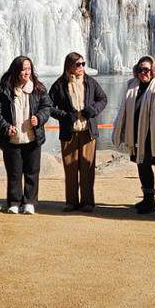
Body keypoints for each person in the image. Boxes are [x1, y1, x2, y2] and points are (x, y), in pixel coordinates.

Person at [110, 55, 155, 213]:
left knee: (145, 165)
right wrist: (118, 128)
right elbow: (123, 109)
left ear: (153, 71)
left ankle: (150, 201)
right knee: (140, 165)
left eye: (146, 70)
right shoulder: (132, 85)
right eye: (140, 70)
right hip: (135, 132)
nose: (143, 73)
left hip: (151, 134)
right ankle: (146, 198)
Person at [0, 55, 53, 213]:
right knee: (14, 172)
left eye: (29, 69)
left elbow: (47, 107)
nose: (27, 72)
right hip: (12, 138)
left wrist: (39, 118)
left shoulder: (38, 88)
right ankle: (14, 202)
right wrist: (5, 127)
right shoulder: (4, 90)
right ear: (16, 70)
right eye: (24, 69)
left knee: (32, 171)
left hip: (33, 137)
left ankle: (30, 201)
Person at [48, 52, 108, 211]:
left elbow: (103, 99)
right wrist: (66, 116)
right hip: (69, 133)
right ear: (69, 66)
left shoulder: (90, 82)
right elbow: (48, 107)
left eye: (83, 64)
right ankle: (71, 202)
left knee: (88, 168)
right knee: (70, 168)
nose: (81, 67)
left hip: (88, 132)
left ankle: (88, 202)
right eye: (78, 64)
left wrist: (93, 110)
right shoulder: (59, 85)